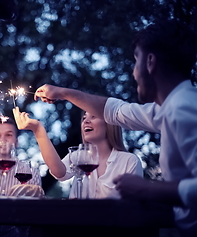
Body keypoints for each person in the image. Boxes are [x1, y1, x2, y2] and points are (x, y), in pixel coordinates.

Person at [33, 19, 197, 236]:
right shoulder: (167, 109)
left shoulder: (185, 109)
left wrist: (148, 189)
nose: (133, 73)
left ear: (150, 62)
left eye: (135, 61)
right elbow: (115, 110)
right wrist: (62, 93)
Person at [13, 107, 143, 199]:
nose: (86, 121)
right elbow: (59, 172)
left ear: (110, 123)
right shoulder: (77, 156)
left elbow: (133, 209)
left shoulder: (129, 161)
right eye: (84, 117)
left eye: (93, 116)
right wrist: (38, 130)